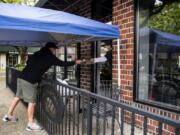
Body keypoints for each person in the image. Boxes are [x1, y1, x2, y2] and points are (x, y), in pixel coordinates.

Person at [2, 42, 82, 131]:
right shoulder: (50, 57)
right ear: (51, 48)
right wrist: (75, 61)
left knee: (17, 97)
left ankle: (8, 115)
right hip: (30, 80)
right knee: (32, 102)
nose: (55, 50)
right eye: (54, 49)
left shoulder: (38, 53)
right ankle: (30, 124)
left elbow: (28, 61)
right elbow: (63, 63)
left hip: (21, 77)